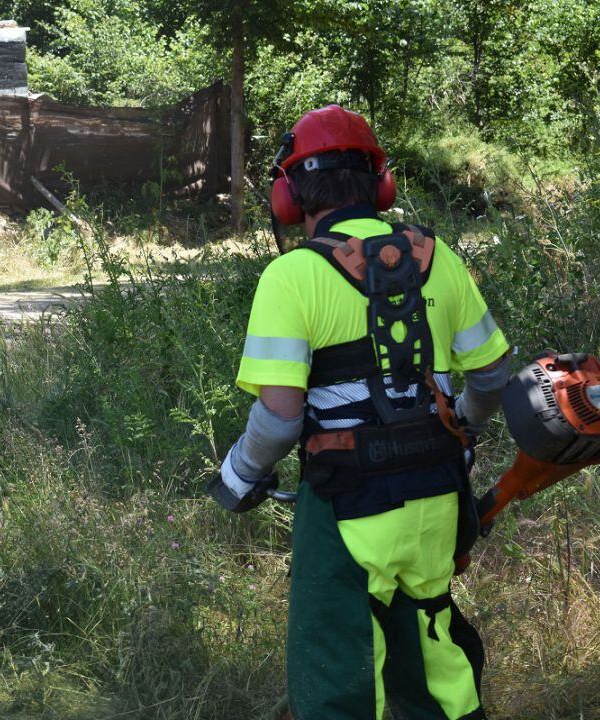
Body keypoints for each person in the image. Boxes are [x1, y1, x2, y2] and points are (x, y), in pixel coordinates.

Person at [207, 105, 511, 720]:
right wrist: (465, 429)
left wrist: (239, 476)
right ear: (380, 183)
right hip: (435, 499)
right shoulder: (437, 257)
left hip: (347, 506)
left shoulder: (292, 276)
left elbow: (279, 419)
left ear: (289, 196)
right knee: (432, 652)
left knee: (340, 672)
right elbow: (492, 375)